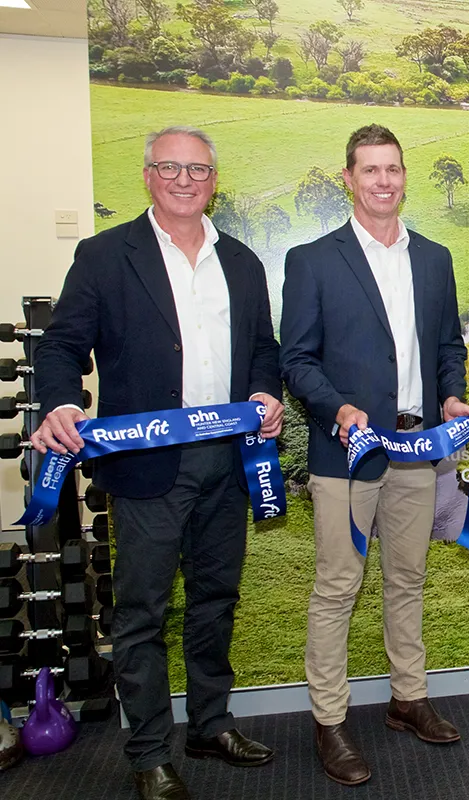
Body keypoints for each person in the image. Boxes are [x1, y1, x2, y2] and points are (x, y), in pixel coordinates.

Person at [33, 126, 284, 800]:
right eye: (169, 167)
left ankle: (209, 723)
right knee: (142, 612)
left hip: (226, 463)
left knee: (215, 600)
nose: (184, 179)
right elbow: (60, 348)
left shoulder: (242, 261)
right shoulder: (105, 255)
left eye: (197, 169)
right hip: (145, 468)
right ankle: (148, 751)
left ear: (214, 180)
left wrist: (265, 393)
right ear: (147, 175)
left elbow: (264, 348)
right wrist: (58, 403)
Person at [280, 124, 469, 786]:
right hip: (348, 454)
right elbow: (297, 359)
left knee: (408, 579)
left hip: (418, 448)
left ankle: (406, 698)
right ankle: (330, 721)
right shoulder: (313, 260)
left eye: (392, 169)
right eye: (370, 171)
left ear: (403, 177)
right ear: (349, 179)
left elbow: (449, 345)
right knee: (339, 584)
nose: (383, 181)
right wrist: (337, 409)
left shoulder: (435, 257)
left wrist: (452, 398)